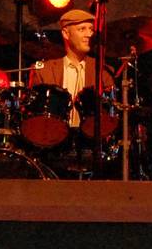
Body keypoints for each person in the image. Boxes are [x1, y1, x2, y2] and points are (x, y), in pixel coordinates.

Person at [27, 9, 116, 174]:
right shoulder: (43, 70)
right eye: (82, 29)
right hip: (52, 149)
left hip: (91, 148)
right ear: (66, 34)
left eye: (91, 29)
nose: (89, 34)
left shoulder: (104, 71)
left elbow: (110, 116)